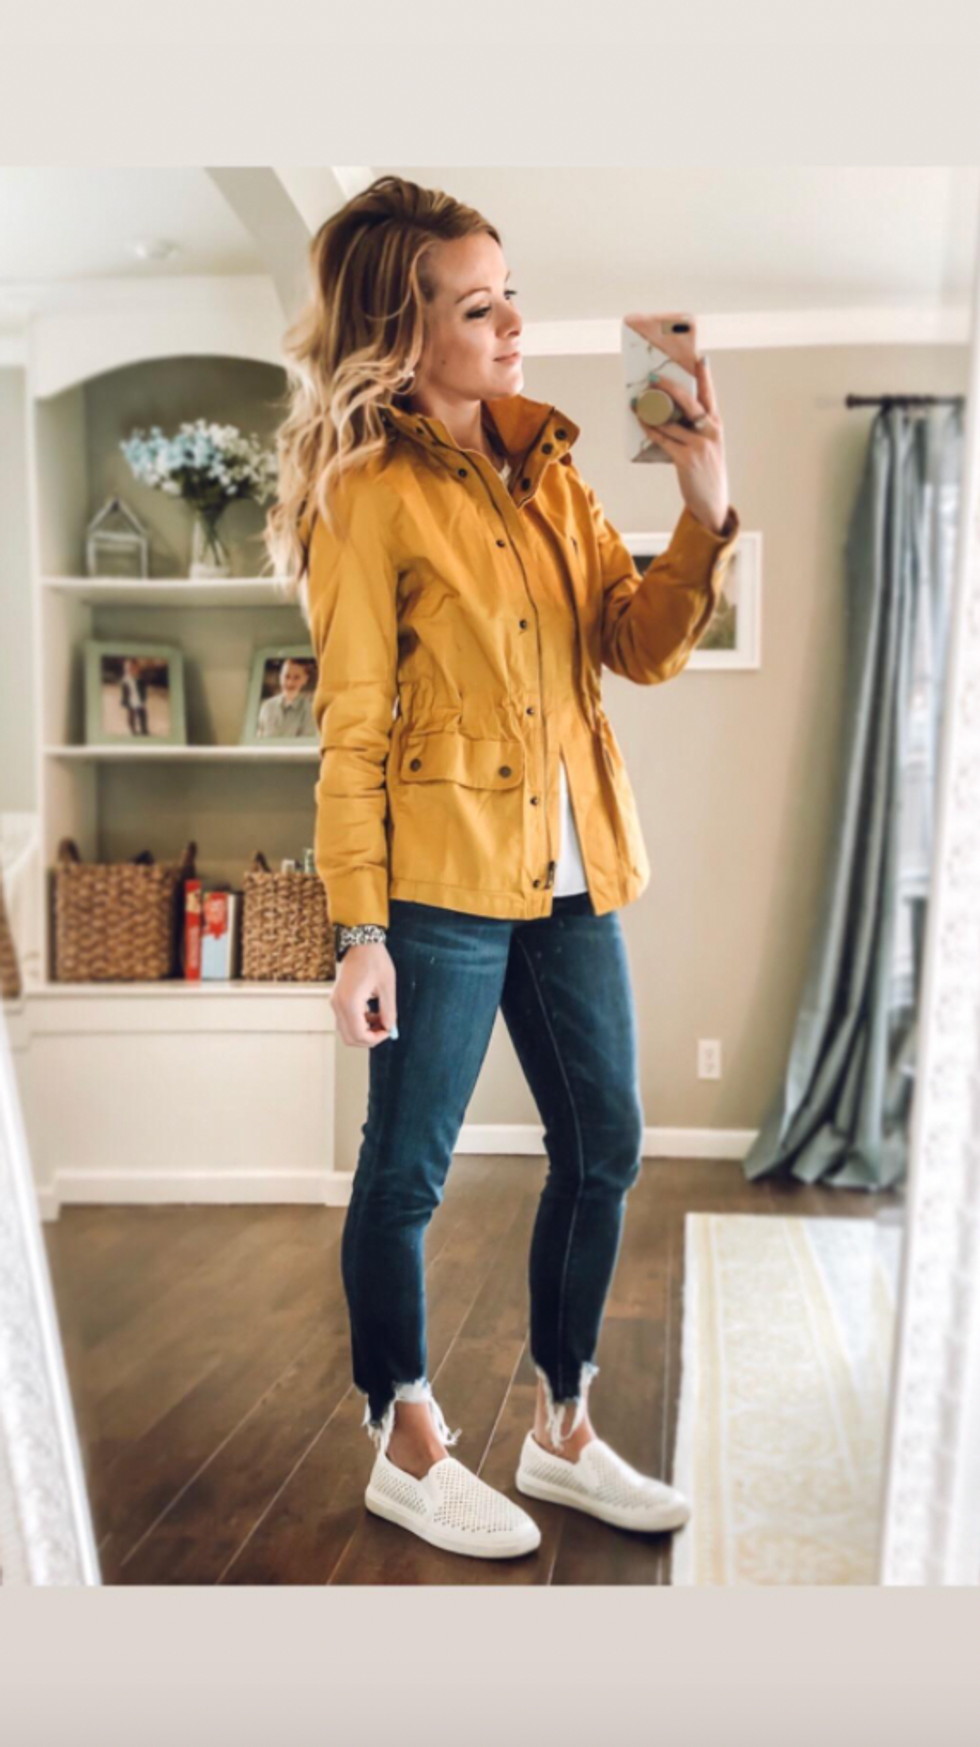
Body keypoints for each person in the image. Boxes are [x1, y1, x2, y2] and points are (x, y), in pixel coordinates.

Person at [266, 174, 740, 1561]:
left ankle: (562, 1426)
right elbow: (353, 728)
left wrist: (705, 503)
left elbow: (638, 646)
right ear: (405, 334)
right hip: (436, 885)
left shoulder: (556, 474)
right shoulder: (367, 496)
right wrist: (358, 928)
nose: (516, 325)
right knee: (408, 1170)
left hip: (573, 870)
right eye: (480, 308)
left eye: (511, 295)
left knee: (609, 1144)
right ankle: (406, 1438)